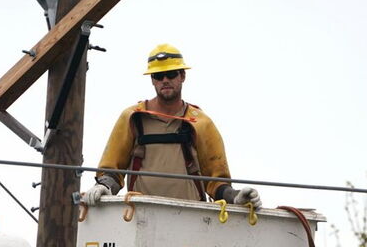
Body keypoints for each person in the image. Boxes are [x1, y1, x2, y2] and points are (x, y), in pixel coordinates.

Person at [83, 43, 261, 209]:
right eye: (159, 76)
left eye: (172, 74)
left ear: (182, 76)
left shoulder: (200, 123)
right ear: (152, 80)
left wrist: (236, 197)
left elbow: (216, 182)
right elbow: (112, 170)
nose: (165, 80)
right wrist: (103, 187)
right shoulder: (132, 117)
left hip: (190, 216)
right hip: (140, 215)